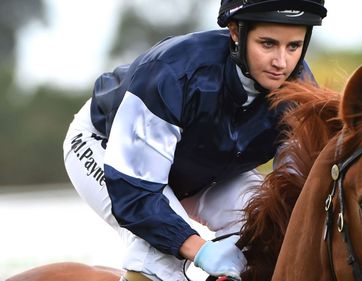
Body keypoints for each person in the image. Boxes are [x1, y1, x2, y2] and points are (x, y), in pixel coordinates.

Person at [62, 1, 327, 280]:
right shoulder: (172, 74)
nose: (281, 62)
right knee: (158, 255)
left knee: (261, 230)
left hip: (203, 167)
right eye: (268, 44)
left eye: (293, 47)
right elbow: (136, 194)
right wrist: (200, 249)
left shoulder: (299, 92)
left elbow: (295, 192)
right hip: (108, 149)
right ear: (236, 32)